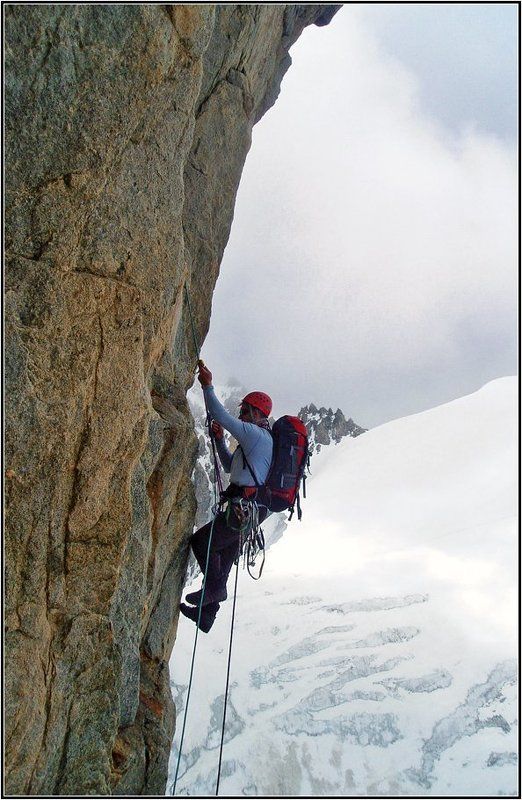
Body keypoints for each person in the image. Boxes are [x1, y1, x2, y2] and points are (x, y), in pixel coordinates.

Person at [179, 360, 274, 632]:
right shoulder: (258, 441)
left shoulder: (256, 434)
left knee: (202, 542)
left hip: (243, 509)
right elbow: (232, 467)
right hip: (247, 510)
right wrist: (220, 441)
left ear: (257, 413)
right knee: (221, 553)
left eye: (245, 410)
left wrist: (207, 385)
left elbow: (221, 414)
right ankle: (207, 615)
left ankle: (215, 591)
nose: (241, 414)